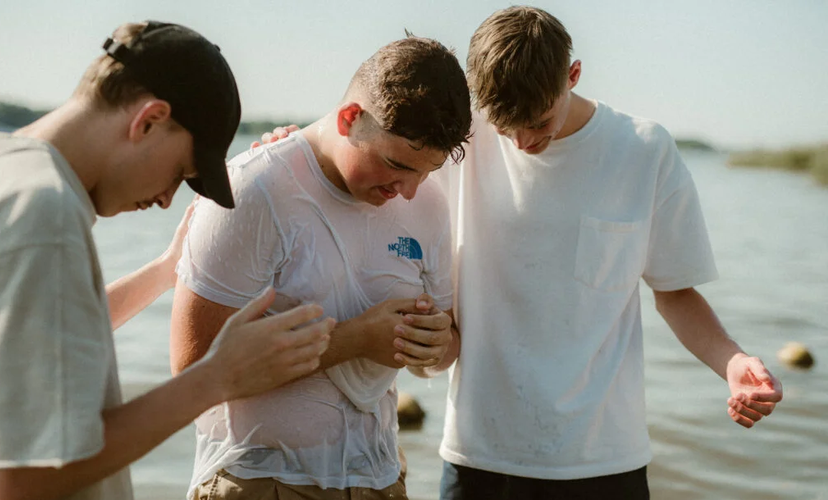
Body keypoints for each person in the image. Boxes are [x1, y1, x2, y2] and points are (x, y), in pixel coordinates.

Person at [262, 6, 785, 500]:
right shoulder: (456, 142)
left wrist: (732, 361)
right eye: (504, 124)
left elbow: (675, 292)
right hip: (478, 454)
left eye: (538, 122)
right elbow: (368, 164)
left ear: (573, 75)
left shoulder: (644, 151)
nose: (519, 141)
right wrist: (298, 152)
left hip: (607, 459)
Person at [0, 21, 332, 500]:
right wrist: (216, 377)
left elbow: (33, 336)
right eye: (180, 172)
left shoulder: (4, 170)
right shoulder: (46, 213)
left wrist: (165, 271)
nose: (168, 199)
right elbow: (25, 478)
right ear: (148, 119)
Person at [169, 35, 472, 500]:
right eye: (396, 165)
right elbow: (191, 373)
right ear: (351, 118)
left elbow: (447, 350)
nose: (408, 191)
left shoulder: (427, 203)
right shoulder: (254, 189)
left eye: (426, 172)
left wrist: (432, 346)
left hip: (379, 478)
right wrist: (353, 339)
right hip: (259, 478)